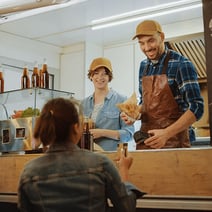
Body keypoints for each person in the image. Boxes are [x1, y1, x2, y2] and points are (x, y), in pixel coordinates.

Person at [18, 98, 145, 212]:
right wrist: (124, 170)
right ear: (75, 128)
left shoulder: (29, 172)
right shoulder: (101, 164)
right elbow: (127, 207)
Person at [121, 20, 204, 149]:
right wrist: (135, 114)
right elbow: (146, 104)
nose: (147, 48)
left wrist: (166, 134)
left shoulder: (181, 64)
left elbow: (197, 107)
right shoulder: (144, 66)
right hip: (147, 142)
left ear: (162, 37)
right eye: (141, 43)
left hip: (175, 143)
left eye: (151, 41)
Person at [81, 57, 134, 151]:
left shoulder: (122, 100)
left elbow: (128, 134)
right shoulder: (83, 104)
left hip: (111, 157)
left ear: (109, 77)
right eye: (96, 73)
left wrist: (102, 132)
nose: (100, 77)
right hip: (87, 156)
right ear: (91, 76)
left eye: (104, 74)